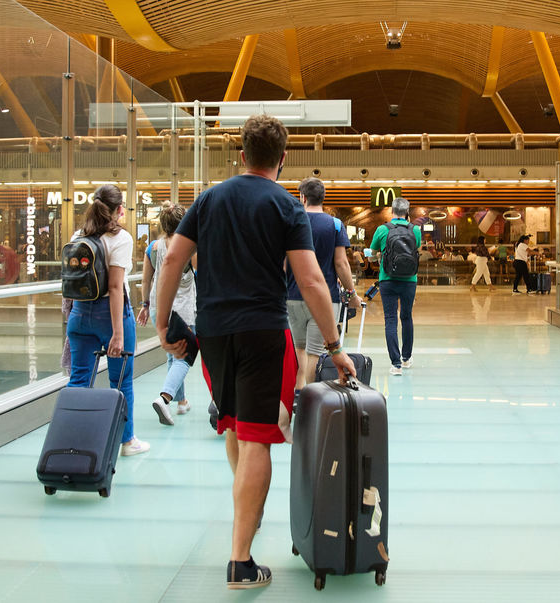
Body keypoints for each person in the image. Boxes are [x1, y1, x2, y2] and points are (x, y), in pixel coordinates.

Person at [153, 115, 353, 590]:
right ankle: (240, 561)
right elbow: (310, 281)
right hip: (263, 331)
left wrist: (162, 323)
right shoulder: (286, 208)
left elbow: (173, 260)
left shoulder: (208, 199)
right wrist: (334, 346)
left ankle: (248, 510)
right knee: (258, 437)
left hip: (215, 334)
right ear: (282, 160)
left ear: (241, 154)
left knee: (234, 425)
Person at [66, 184, 148, 457]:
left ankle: (71, 440)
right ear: (119, 209)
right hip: (110, 316)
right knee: (121, 381)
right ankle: (127, 441)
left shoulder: (79, 235)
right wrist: (117, 334)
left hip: (79, 314)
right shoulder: (121, 238)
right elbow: (115, 287)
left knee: (79, 380)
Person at [287, 177, 362, 389]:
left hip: (293, 296)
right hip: (325, 298)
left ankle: (298, 394)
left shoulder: (291, 223)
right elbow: (341, 264)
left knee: (299, 349)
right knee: (314, 352)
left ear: (302, 197)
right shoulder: (335, 224)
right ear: (323, 197)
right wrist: (351, 293)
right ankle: (310, 398)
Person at [138, 202, 199, 425]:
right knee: (185, 355)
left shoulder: (152, 247)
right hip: (182, 310)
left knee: (172, 354)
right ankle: (165, 397)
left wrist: (145, 305)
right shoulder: (189, 247)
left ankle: (181, 402)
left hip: (157, 307)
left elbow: (146, 280)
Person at [370, 197, 421, 375]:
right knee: (406, 317)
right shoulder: (415, 230)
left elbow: (372, 255)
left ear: (392, 211)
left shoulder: (382, 230)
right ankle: (406, 358)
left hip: (387, 280)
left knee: (390, 319)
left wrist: (377, 256)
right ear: (407, 213)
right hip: (409, 280)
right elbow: (415, 250)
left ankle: (396, 364)